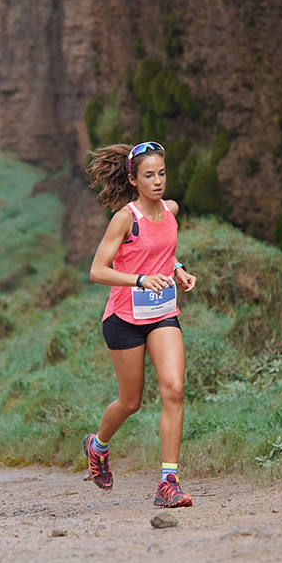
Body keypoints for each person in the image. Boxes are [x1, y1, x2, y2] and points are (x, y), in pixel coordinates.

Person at [83, 141, 198, 508]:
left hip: (162, 313)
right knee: (130, 401)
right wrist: (140, 280)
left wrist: (177, 269)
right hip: (124, 318)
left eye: (161, 173)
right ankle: (97, 446)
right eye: (149, 175)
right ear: (133, 179)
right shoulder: (125, 218)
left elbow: (162, 248)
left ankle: (168, 482)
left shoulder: (171, 209)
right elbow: (97, 271)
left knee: (174, 389)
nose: (158, 181)